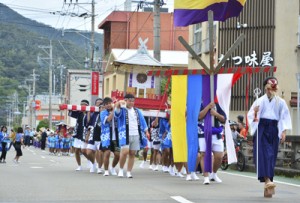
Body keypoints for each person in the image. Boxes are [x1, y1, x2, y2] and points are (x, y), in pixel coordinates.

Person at [248, 76, 292, 198]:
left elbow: (284, 117)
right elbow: (251, 116)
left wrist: (283, 131)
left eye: (272, 88)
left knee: (271, 156)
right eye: (268, 88)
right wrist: (255, 112)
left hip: (273, 129)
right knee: (263, 155)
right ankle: (268, 181)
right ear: (265, 88)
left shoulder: (281, 102)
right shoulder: (259, 101)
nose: (270, 91)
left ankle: (268, 184)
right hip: (262, 128)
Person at [114, 93, 149, 178]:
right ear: (125, 101)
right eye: (130, 101)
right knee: (125, 152)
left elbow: (143, 121)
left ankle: (129, 171)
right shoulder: (122, 109)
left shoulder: (137, 111)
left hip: (136, 133)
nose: (132, 103)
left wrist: (146, 131)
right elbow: (116, 113)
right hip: (125, 134)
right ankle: (121, 170)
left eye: (133, 101)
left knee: (132, 153)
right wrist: (119, 103)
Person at [198, 101, 226, 185]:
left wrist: (215, 113)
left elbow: (224, 119)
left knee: (219, 156)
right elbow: (199, 116)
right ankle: (206, 177)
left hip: (216, 132)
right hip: (204, 132)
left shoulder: (218, 104)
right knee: (204, 154)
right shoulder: (202, 104)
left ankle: (214, 174)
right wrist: (208, 107)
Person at [100, 97, 120, 176]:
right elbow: (108, 120)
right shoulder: (103, 113)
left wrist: (116, 108)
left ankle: (113, 167)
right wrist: (113, 110)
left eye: (109, 103)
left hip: (116, 136)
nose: (108, 105)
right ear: (104, 106)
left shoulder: (117, 111)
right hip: (106, 136)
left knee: (118, 154)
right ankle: (106, 170)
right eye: (106, 104)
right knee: (107, 153)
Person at [68, 99, 90, 171]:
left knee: (84, 151)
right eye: (81, 104)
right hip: (78, 133)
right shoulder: (78, 113)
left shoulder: (90, 113)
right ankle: (79, 165)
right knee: (76, 150)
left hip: (85, 133)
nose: (82, 105)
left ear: (87, 105)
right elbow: (70, 113)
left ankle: (90, 160)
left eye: (84, 104)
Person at [86, 98, 104, 173]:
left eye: (101, 104)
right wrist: (88, 113)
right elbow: (88, 123)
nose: (99, 105)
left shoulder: (106, 114)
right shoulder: (94, 114)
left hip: (102, 136)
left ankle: (99, 167)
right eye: (98, 103)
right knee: (88, 152)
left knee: (100, 153)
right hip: (93, 135)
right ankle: (93, 164)